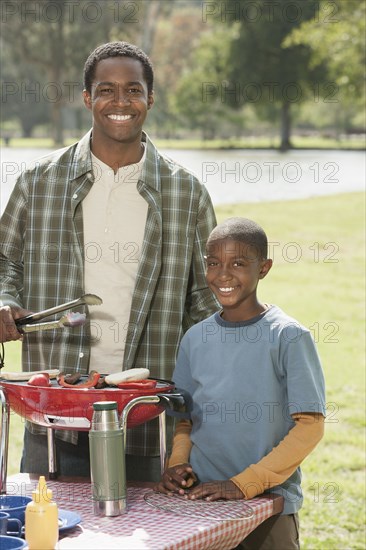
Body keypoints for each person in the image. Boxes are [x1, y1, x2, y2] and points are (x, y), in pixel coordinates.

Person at [0, 41, 219, 480]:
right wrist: (3, 299)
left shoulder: (185, 192)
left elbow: (205, 299)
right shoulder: (38, 182)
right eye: (106, 90)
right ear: (87, 97)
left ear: (150, 99)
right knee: (50, 538)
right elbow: (5, 262)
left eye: (133, 90)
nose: (120, 102)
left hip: (149, 418)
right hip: (54, 419)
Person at [156, 217, 326, 550]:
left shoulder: (288, 336)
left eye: (238, 263)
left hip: (268, 507)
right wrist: (177, 466)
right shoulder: (194, 338)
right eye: (213, 263)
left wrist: (244, 484)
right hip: (201, 502)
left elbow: (310, 427)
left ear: (263, 268)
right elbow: (185, 419)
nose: (223, 275)